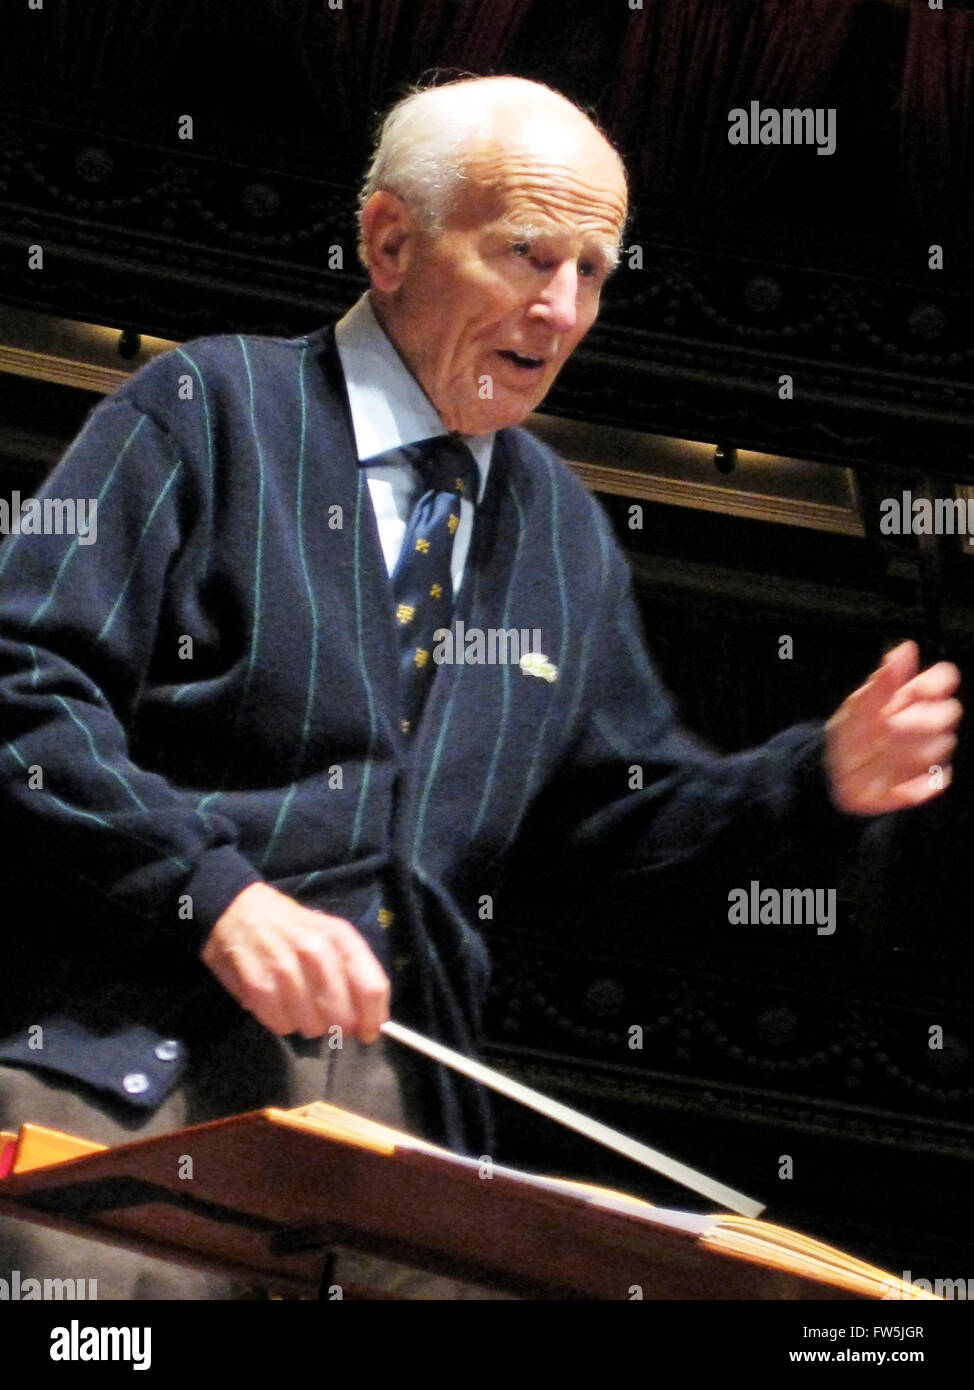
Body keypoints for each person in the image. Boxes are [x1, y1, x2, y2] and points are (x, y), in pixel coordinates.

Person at [0, 76, 961, 1298]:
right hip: (120, 1080)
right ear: (389, 241)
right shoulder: (208, 408)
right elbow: (21, 682)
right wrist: (214, 894)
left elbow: (614, 829)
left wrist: (811, 777)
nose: (560, 310)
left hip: (405, 1143)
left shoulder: (560, 529)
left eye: (594, 273)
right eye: (523, 255)